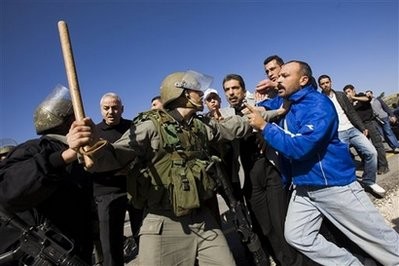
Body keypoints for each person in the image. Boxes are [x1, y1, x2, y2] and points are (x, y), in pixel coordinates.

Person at [66, 70, 275, 265]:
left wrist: (276, 112)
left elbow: (235, 127)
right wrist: (91, 147)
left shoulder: (199, 125)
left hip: (203, 220)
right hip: (164, 224)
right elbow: (113, 156)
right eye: (196, 90)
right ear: (181, 94)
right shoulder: (150, 127)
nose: (201, 94)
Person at [248, 60, 399, 266]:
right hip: (304, 188)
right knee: (298, 236)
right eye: (277, 76)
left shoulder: (318, 104)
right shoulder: (287, 102)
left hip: (333, 185)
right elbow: (267, 107)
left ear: (303, 80)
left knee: (384, 243)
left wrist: (265, 127)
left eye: (284, 76)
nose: (277, 79)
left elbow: (301, 147)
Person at [222, 73, 312, 266]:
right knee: (266, 228)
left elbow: (276, 116)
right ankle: (282, 261)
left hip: (270, 170)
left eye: (235, 88)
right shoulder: (225, 115)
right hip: (249, 179)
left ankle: (297, 262)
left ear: (243, 89)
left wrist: (265, 130)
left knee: (281, 223)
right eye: (227, 90)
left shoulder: (260, 104)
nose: (231, 93)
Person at [0, 84, 94, 265]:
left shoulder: (81, 153)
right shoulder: (35, 148)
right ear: (70, 121)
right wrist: (60, 158)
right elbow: (8, 191)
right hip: (44, 253)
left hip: (76, 251)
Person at [92, 92, 143, 266]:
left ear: (122, 109)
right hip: (107, 193)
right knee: (110, 245)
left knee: (144, 236)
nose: (111, 112)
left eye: (115, 108)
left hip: (136, 189)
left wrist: (132, 166)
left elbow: (145, 152)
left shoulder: (135, 127)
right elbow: (89, 163)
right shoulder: (94, 134)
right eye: (106, 108)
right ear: (101, 110)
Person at [318, 75, 384, 197]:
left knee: (372, 153)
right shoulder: (320, 99)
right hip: (338, 133)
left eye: (327, 82)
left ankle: (369, 181)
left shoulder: (340, 95)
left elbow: (352, 112)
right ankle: (350, 185)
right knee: (344, 160)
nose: (326, 85)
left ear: (331, 82)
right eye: (323, 83)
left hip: (352, 129)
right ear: (320, 86)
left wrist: (362, 127)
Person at [343, 85, 390, 175]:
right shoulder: (348, 103)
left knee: (377, 145)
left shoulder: (360, 95)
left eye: (349, 91)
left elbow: (367, 99)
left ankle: (383, 166)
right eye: (346, 93)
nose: (347, 94)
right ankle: (369, 165)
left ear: (353, 90)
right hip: (359, 127)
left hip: (369, 123)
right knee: (362, 148)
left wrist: (353, 97)